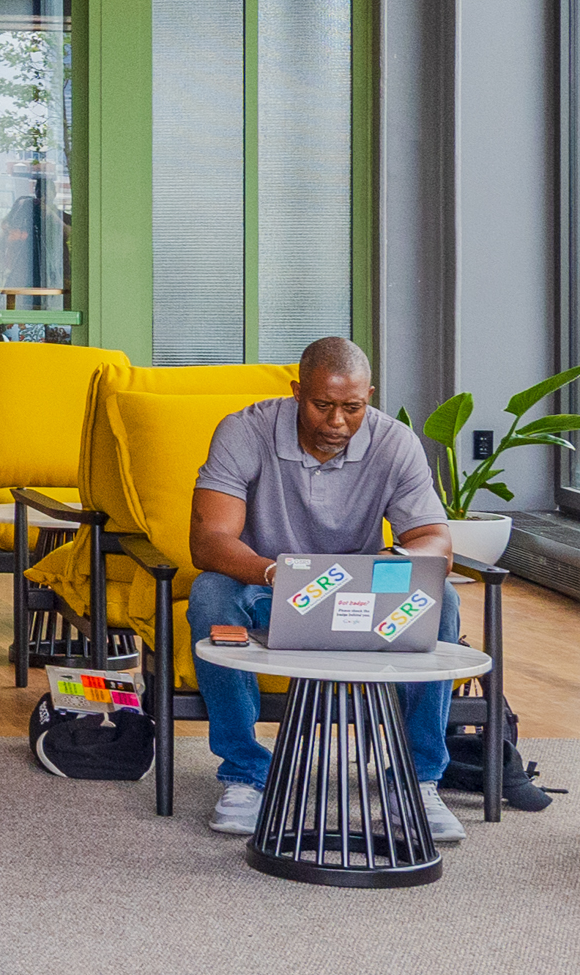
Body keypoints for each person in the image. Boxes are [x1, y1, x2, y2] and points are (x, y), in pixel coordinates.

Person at [181, 333, 463, 844]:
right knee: (210, 594)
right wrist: (278, 574)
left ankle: (417, 781)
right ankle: (244, 774)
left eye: (352, 408)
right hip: (267, 587)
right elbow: (209, 541)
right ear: (297, 392)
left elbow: (436, 544)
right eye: (322, 405)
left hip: (363, 595)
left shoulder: (394, 442)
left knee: (441, 599)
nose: (337, 422)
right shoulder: (245, 431)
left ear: (368, 397)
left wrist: (390, 565)